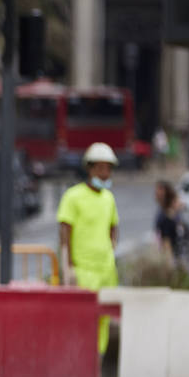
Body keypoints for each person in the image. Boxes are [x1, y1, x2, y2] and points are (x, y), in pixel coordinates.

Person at [57, 142, 119, 355]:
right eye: (101, 168)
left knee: (103, 322)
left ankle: (96, 369)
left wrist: (111, 252)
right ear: (90, 168)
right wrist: (68, 267)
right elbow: (65, 233)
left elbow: (113, 227)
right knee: (81, 320)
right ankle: (79, 365)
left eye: (108, 168)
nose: (105, 173)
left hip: (105, 272)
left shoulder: (109, 198)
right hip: (83, 272)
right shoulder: (73, 196)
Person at [153, 179, 185, 260]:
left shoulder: (167, 215)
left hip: (170, 251)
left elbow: (167, 241)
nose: (156, 193)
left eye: (159, 189)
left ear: (165, 191)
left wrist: (168, 261)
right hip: (171, 250)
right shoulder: (164, 209)